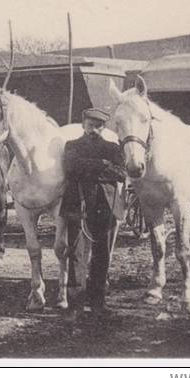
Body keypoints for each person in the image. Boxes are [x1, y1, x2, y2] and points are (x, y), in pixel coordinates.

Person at [59, 108, 126, 315]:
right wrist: (102, 165)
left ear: (104, 127)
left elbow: (122, 174)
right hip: (77, 205)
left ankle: (98, 303)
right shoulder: (72, 146)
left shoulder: (113, 148)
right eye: (90, 125)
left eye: (98, 126)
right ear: (83, 125)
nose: (94, 130)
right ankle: (75, 305)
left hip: (105, 206)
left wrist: (89, 168)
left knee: (102, 254)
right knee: (77, 254)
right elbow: (71, 167)